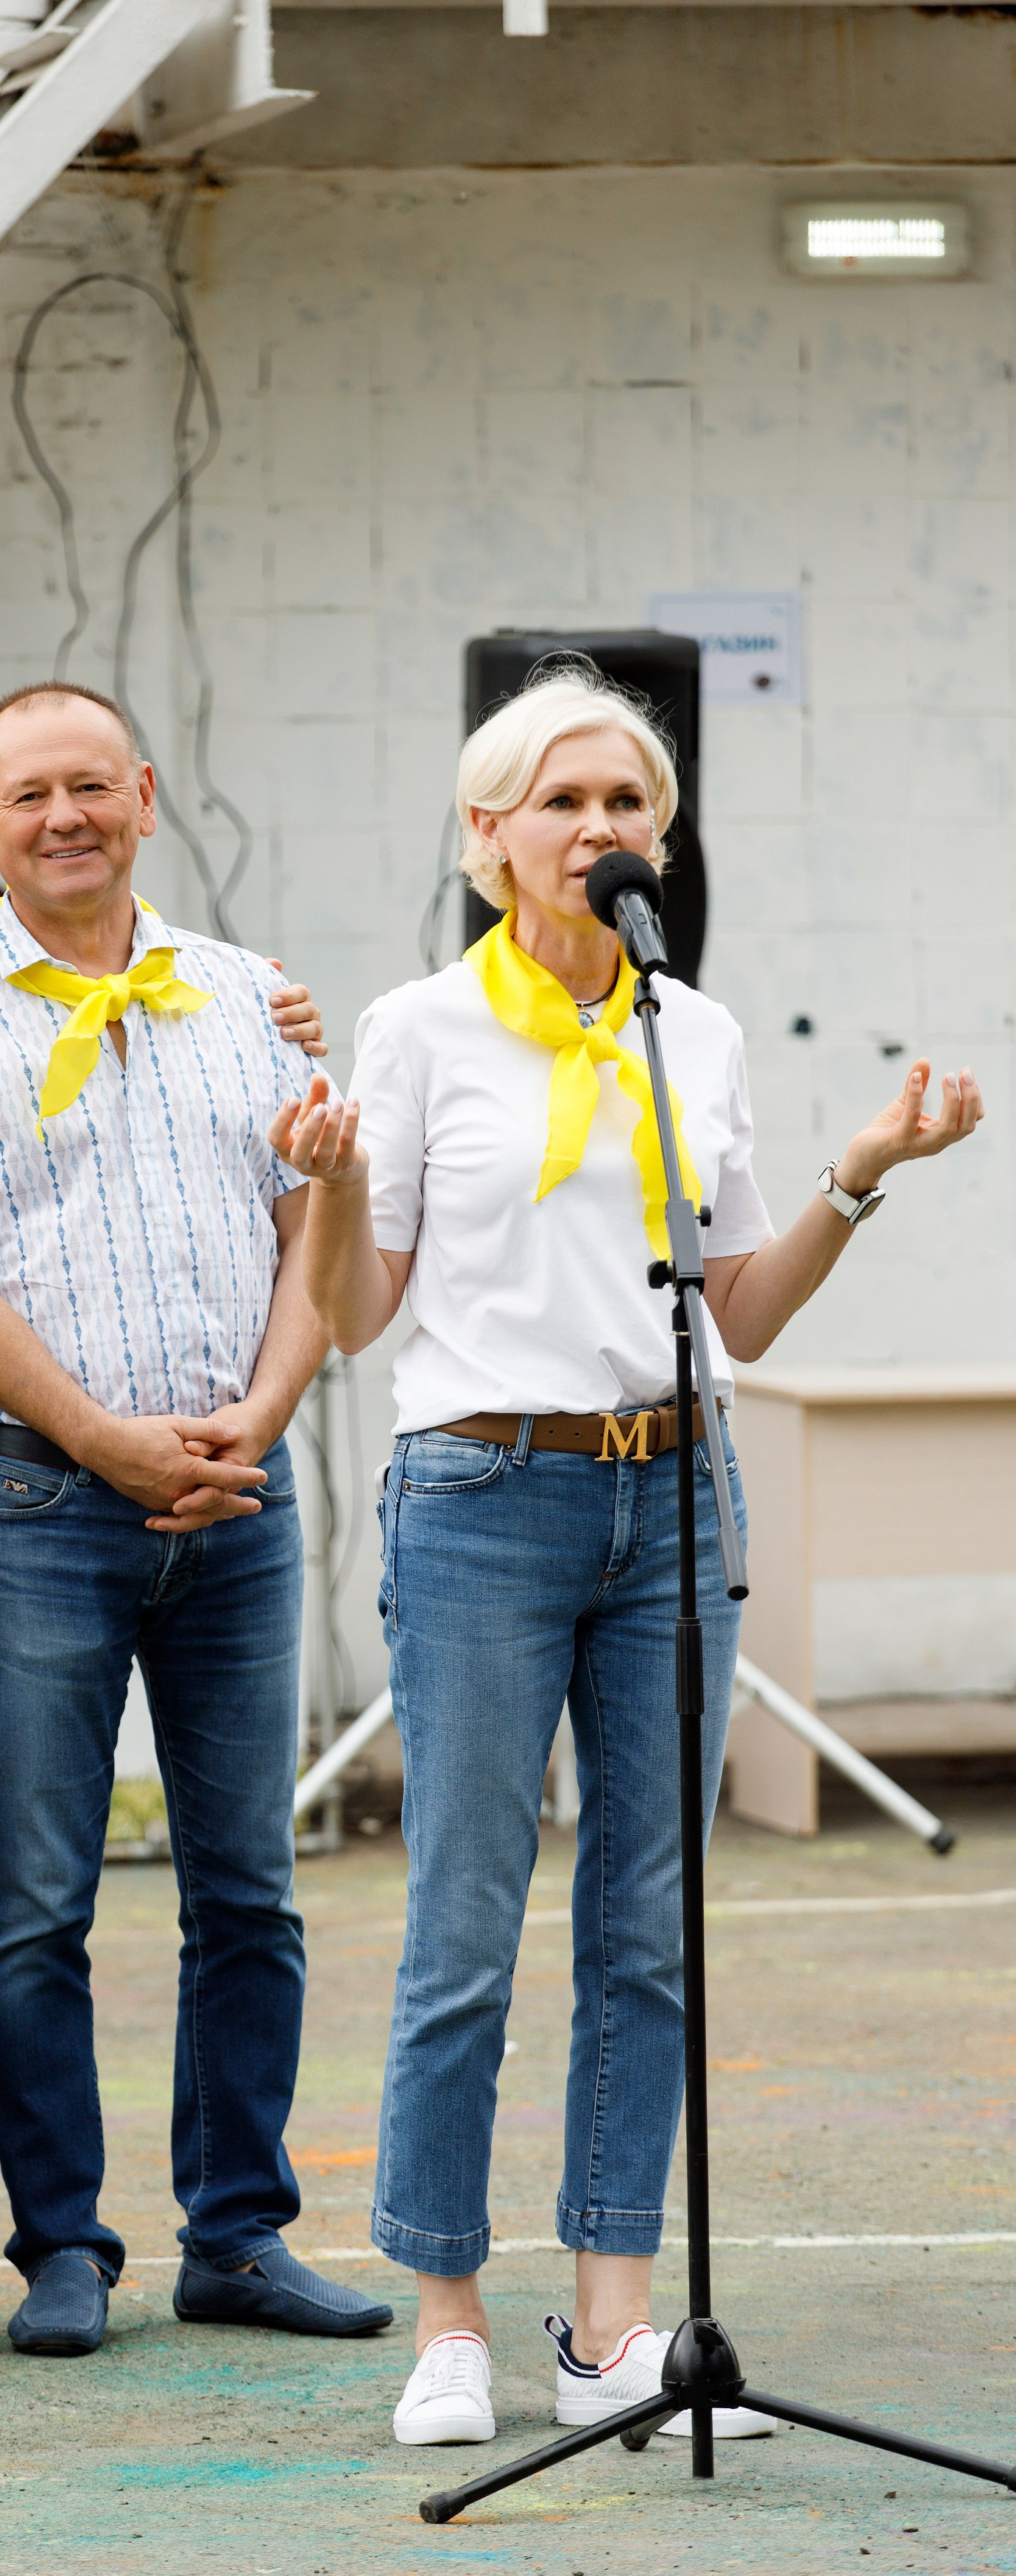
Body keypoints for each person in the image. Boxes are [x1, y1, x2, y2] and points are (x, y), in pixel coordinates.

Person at [275, 668, 983, 2449]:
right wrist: (337, 1187)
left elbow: (732, 1298)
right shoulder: (420, 1029)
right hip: (483, 1495)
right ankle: (446, 2319)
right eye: (568, 800)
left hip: (671, 1491)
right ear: (488, 835)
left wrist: (860, 1171)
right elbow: (361, 1313)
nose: (605, 829)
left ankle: (612, 2330)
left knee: (646, 1929)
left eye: (632, 805)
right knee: (459, 1920)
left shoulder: (696, 1032)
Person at [0, 679, 393, 2359]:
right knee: (38, 1898)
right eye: (26, 798)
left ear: (145, 796)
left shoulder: (247, 995)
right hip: (42, 1502)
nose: (62, 818)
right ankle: (60, 2249)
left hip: (239, 1495)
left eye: (89, 786)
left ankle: (236, 2236)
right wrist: (104, 1443)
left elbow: (314, 1214)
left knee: (248, 1890)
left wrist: (263, 1410)